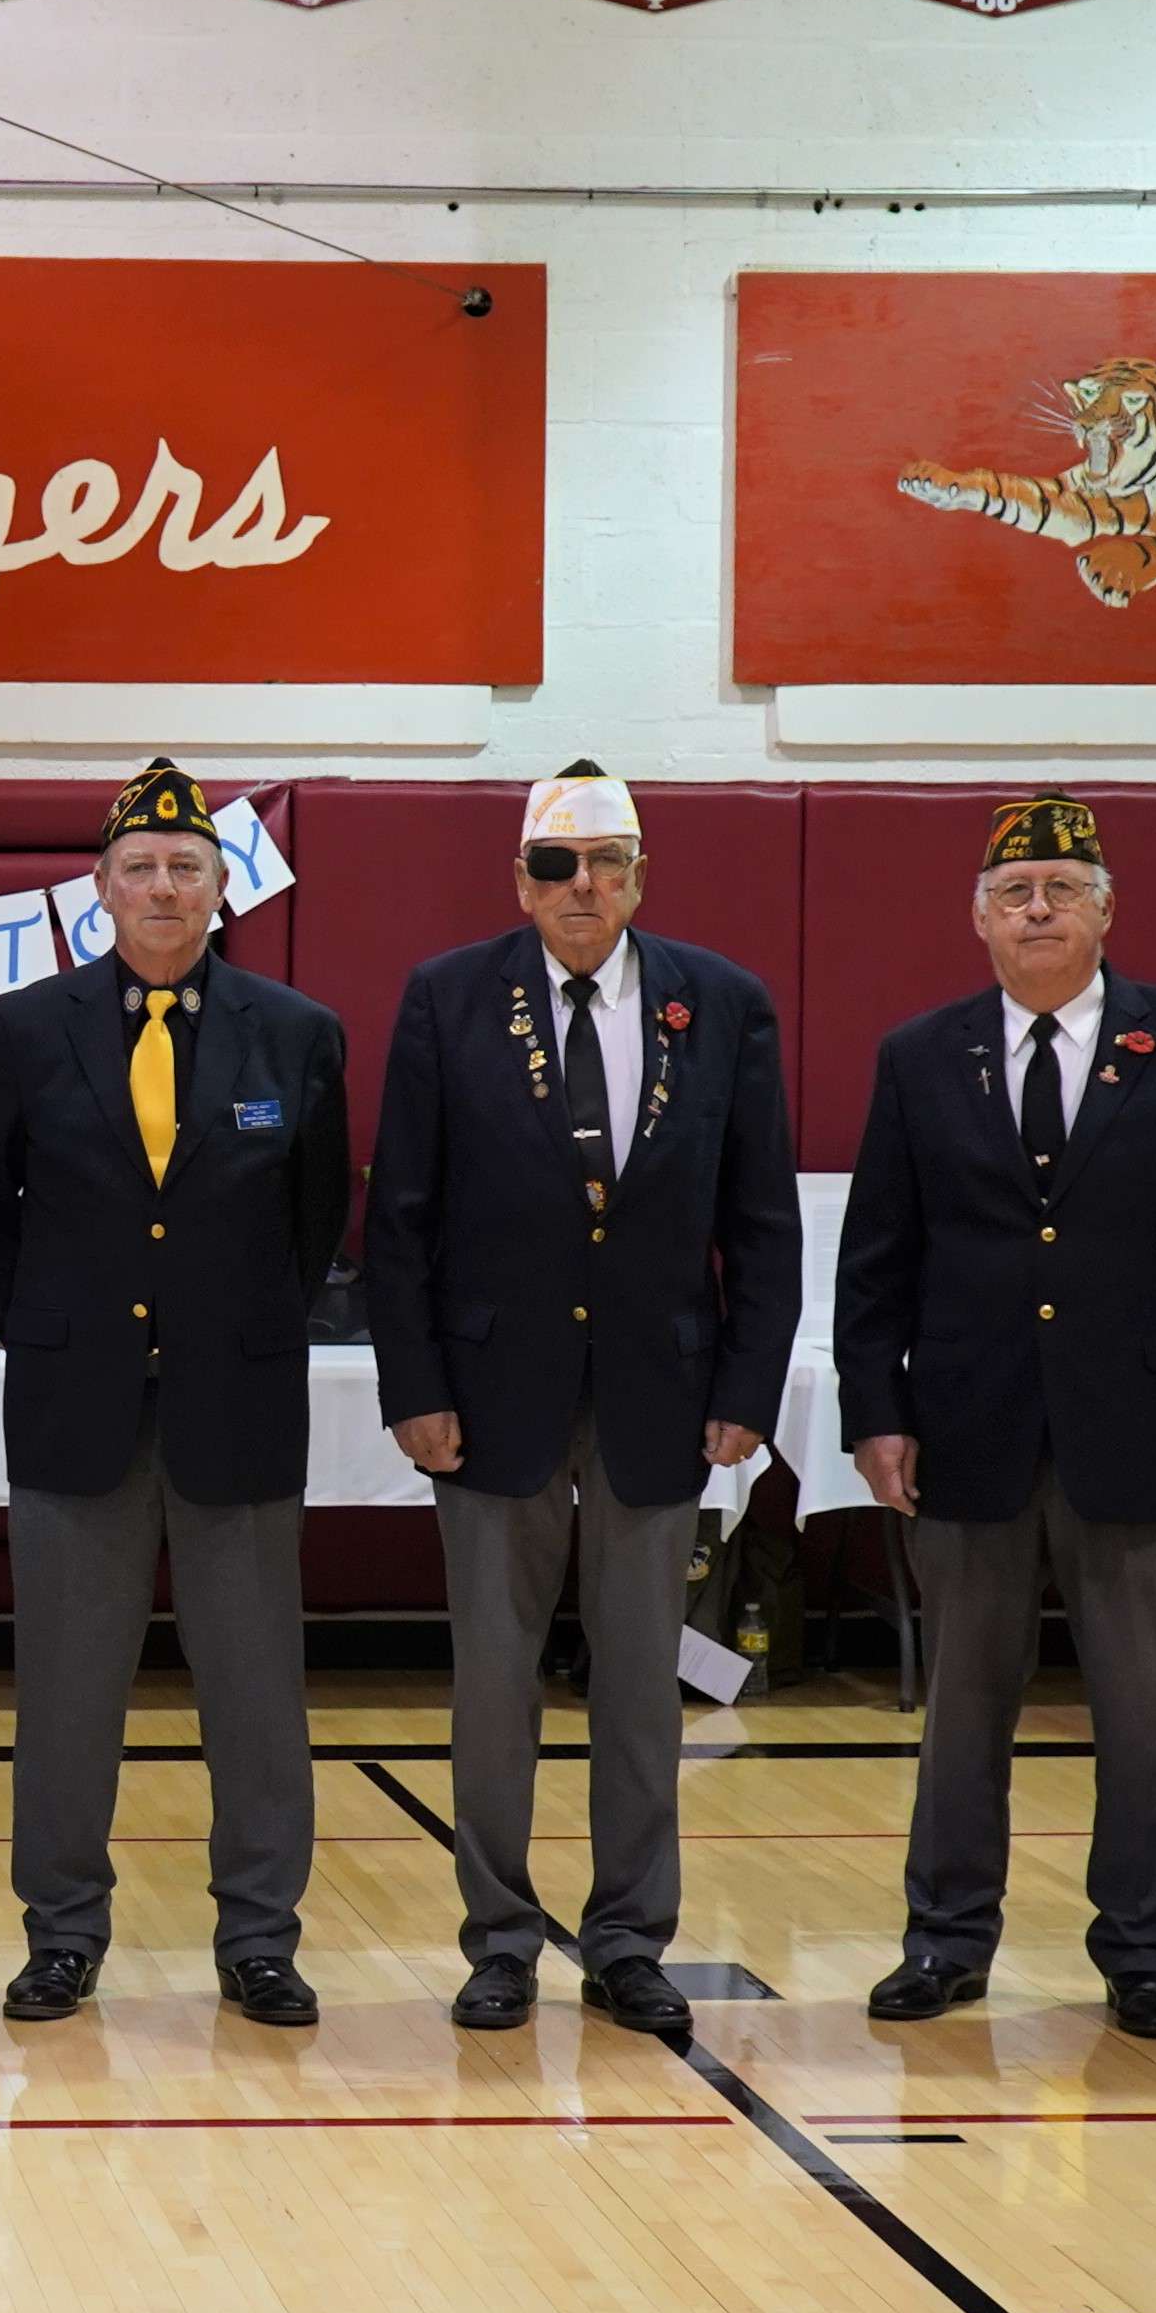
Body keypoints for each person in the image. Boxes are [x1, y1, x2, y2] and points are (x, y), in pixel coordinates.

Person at [833, 795, 1156, 2040]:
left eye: (1064, 885)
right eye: (1017, 886)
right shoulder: (922, 1054)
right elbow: (878, 1254)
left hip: (1140, 1429)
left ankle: (1144, 1950)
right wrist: (878, 1408)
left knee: (1145, 1713)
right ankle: (945, 1940)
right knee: (963, 1709)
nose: (1040, 905)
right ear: (978, 915)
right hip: (966, 1428)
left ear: (1106, 909)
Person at [363, 759, 796, 2037]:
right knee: (493, 1683)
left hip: (662, 1388)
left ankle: (627, 1938)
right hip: (490, 1392)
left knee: (638, 1685)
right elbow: (401, 1220)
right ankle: (499, 1939)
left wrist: (749, 1385)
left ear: (641, 875)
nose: (582, 887)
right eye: (556, 865)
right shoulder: (449, 999)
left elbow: (760, 1220)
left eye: (606, 863)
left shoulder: (719, 1004)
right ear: (520, 879)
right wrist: (416, 1385)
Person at [0, 757, 357, 2029]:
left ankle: (261, 1939)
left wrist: (233, 1331)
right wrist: (58, 1335)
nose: (163, 886)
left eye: (186, 866)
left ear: (222, 888)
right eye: (140, 867)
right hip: (78, 1410)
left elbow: (315, 1214)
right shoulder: (28, 1029)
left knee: (255, 1694)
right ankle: (63, 1932)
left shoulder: (297, 1033)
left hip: (235, 1407)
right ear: (100, 889)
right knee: (68, 1693)